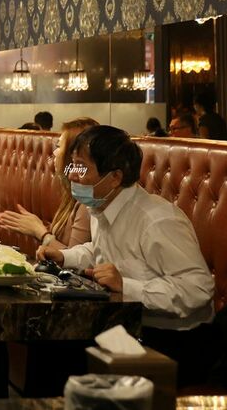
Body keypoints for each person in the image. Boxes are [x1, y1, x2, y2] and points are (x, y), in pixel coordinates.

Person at [37, 125, 215, 386]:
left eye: (81, 167)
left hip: (173, 342)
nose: (72, 175)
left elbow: (198, 289)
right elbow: (100, 251)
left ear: (115, 177)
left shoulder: (157, 220)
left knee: (60, 352)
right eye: (72, 165)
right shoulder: (102, 206)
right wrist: (65, 257)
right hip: (124, 326)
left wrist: (126, 286)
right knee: (48, 344)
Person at [0, 117, 98, 251]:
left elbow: (74, 258)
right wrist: (33, 225)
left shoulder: (86, 201)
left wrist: (40, 232)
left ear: (72, 155)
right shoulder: (71, 193)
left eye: (59, 147)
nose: (55, 153)